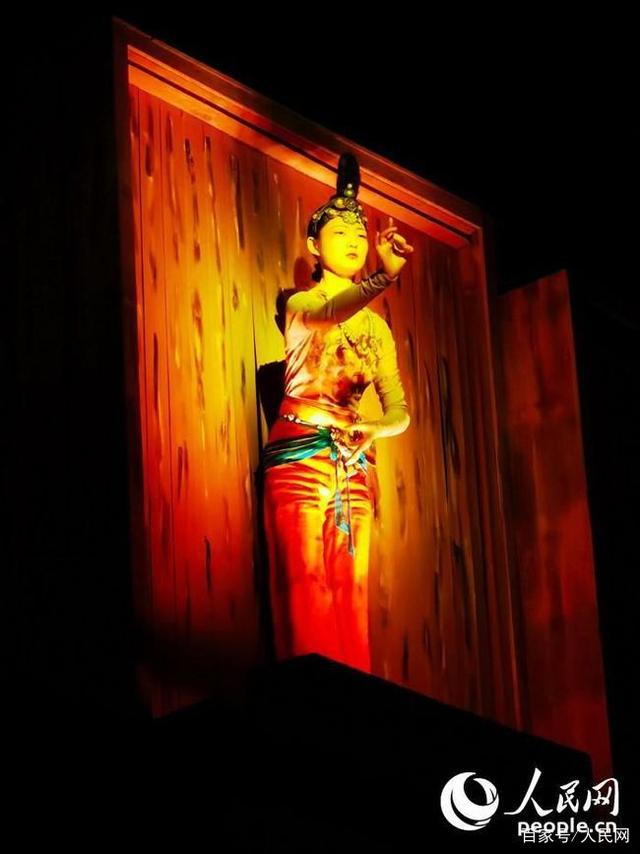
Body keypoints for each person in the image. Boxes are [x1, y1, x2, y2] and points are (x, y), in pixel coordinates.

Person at [262, 153, 413, 673]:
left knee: (353, 589)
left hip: (352, 462)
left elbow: (399, 411)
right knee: (304, 580)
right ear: (314, 246)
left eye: (361, 233)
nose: (354, 239)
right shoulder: (300, 306)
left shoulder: (376, 330)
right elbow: (332, 312)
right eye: (341, 231)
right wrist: (382, 279)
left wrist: (373, 428)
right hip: (300, 452)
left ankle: (356, 697)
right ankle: (308, 691)